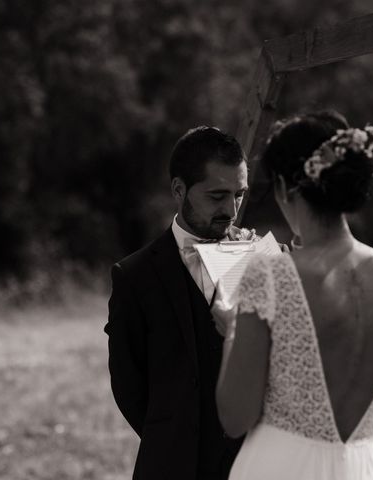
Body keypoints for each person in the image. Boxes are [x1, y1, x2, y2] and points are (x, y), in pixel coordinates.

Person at [213, 111, 373, 480]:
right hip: (362, 468)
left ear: (286, 188)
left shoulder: (270, 275)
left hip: (280, 467)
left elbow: (235, 418)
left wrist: (233, 328)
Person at [105, 126, 252, 480]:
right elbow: (128, 384)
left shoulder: (260, 258)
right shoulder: (134, 276)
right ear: (178, 189)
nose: (231, 210)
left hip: (252, 464)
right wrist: (174, 437)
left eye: (239, 195)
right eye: (217, 196)